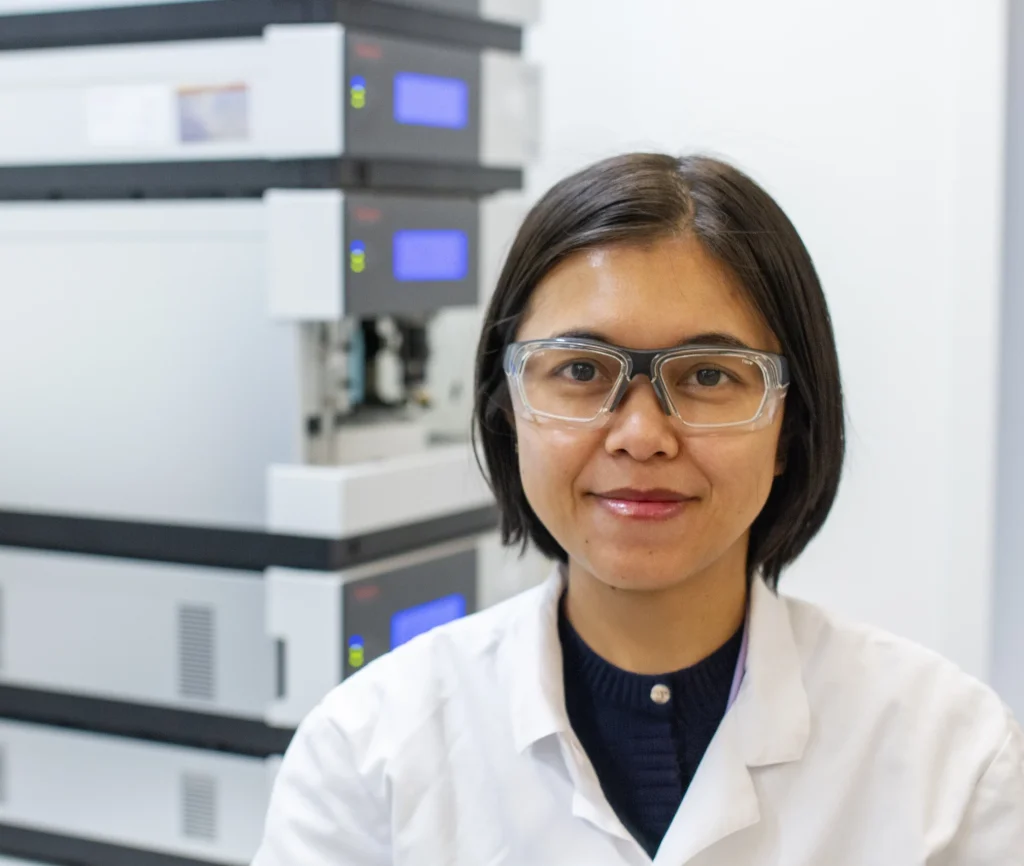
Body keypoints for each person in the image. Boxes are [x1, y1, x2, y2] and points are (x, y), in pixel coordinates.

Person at [252, 154, 1024, 865]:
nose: (641, 435)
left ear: (791, 428)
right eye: (582, 370)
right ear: (506, 414)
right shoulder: (367, 752)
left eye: (711, 376)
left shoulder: (950, 759)